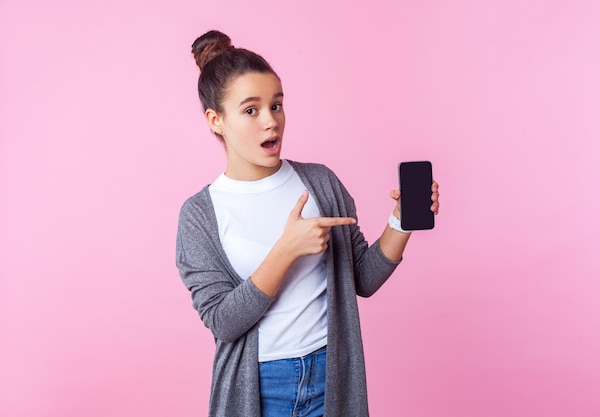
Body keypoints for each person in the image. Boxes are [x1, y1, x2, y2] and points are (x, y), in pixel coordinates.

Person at [176, 30, 440, 417]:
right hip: (263, 388)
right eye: (251, 110)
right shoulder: (199, 215)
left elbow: (362, 280)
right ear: (216, 120)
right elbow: (223, 322)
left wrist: (400, 222)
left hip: (332, 374)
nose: (271, 121)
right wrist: (286, 251)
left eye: (277, 105)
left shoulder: (320, 182)